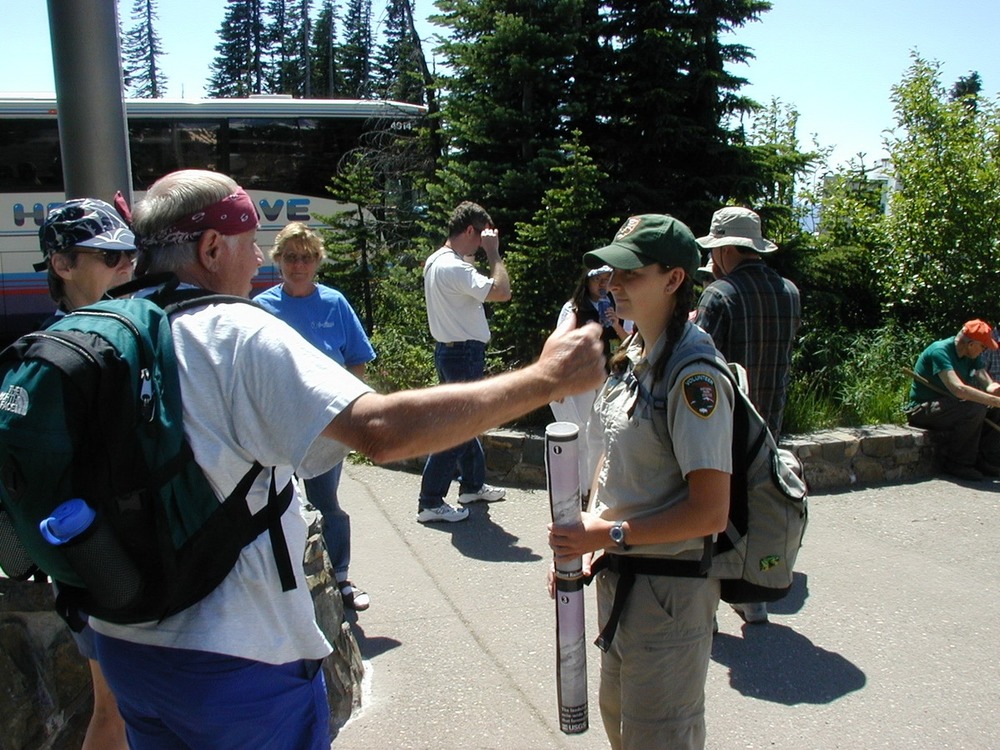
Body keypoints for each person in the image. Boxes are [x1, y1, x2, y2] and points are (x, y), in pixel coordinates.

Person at [88, 169, 605, 749]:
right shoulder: (236, 331)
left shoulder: (103, 328)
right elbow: (380, 431)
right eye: (250, 241)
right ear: (210, 248)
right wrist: (545, 378)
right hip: (236, 661)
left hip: (125, 646)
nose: (260, 259)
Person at [548, 214, 733, 750]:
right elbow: (612, 458)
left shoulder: (694, 374)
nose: (613, 283)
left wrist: (602, 536)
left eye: (630, 274)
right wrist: (586, 539)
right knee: (620, 723)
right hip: (623, 577)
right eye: (611, 273)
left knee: (659, 736)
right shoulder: (636, 355)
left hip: (668, 595)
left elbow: (709, 513)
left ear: (674, 279)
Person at [36, 198, 135, 750]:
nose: (126, 265)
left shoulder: (110, 336)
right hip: (103, 563)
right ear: (62, 265)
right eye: (109, 255)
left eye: (129, 253)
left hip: (111, 561)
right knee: (114, 709)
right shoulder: (67, 356)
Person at [254, 222, 375, 612]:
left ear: (317, 261)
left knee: (326, 502)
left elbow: (357, 358)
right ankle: (283, 582)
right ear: (278, 261)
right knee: (274, 503)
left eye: (306, 257)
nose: (298, 265)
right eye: (290, 257)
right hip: (277, 426)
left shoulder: (334, 304)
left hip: (325, 426)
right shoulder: (261, 308)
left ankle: (340, 577)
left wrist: (340, 404)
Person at [693, 206, 800, 625]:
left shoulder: (719, 295)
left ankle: (708, 607)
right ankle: (753, 599)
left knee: (713, 512)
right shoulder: (789, 291)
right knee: (754, 507)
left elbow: (700, 355)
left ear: (722, 251)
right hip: (770, 417)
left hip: (727, 422)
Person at [417, 201, 511, 524]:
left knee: (466, 424)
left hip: (450, 352)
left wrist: (477, 249)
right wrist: (494, 253)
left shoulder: (437, 261)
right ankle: (430, 500)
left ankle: (471, 485)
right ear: (470, 231)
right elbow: (502, 291)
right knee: (458, 430)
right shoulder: (456, 269)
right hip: (463, 355)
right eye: (480, 235)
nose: (483, 242)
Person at [550, 265, 631, 504]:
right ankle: (582, 490)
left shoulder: (619, 306)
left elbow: (630, 341)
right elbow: (560, 344)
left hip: (608, 376)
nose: (603, 285)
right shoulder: (574, 308)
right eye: (598, 280)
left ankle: (594, 487)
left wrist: (616, 323)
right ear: (587, 282)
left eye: (607, 280)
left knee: (600, 432)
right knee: (583, 431)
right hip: (582, 377)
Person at [905, 319, 1000, 481]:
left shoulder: (971, 355)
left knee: (994, 410)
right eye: (983, 347)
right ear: (971, 344)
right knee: (974, 408)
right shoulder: (940, 351)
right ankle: (958, 463)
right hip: (923, 410)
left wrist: (994, 389)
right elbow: (958, 389)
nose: (983, 351)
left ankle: (985, 459)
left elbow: (985, 379)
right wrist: (994, 400)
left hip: (950, 407)